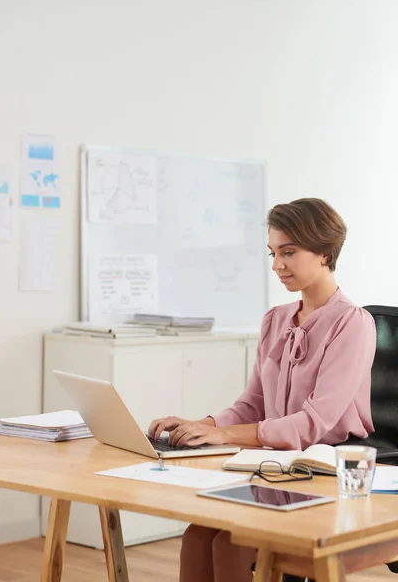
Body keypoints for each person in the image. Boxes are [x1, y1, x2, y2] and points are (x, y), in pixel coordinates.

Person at [148, 198, 376, 582]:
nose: (277, 265)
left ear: (324, 252)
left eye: (288, 252)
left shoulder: (353, 323)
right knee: (197, 536)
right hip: (273, 462)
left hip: (322, 466)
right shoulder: (276, 319)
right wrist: (199, 424)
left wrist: (224, 435)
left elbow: (314, 422)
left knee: (228, 542)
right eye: (273, 253)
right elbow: (252, 403)